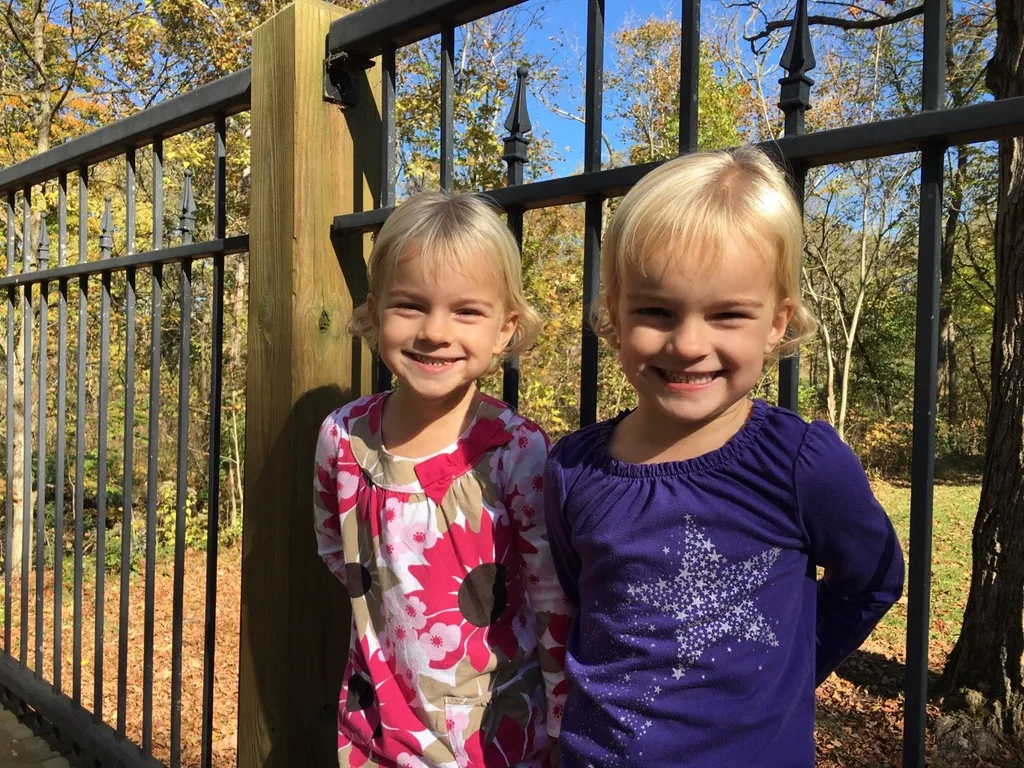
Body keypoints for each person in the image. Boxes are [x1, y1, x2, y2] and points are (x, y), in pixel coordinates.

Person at [543, 147, 904, 767]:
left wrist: (788, 675)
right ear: (615, 313)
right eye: (655, 310)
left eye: (727, 314)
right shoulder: (572, 469)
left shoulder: (802, 464)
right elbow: (583, 601)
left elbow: (871, 581)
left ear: (776, 322)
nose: (688, 344)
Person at [314, 191, 569, 768]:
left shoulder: (517, 451)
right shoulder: (343, 437)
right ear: (375, 311)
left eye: (466, 311)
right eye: (409, 306)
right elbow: (337, 550)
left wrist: (559, 718)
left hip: (497, 739)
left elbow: (551, 597)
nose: (434, 331)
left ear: (505, 328)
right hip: (375, 731)